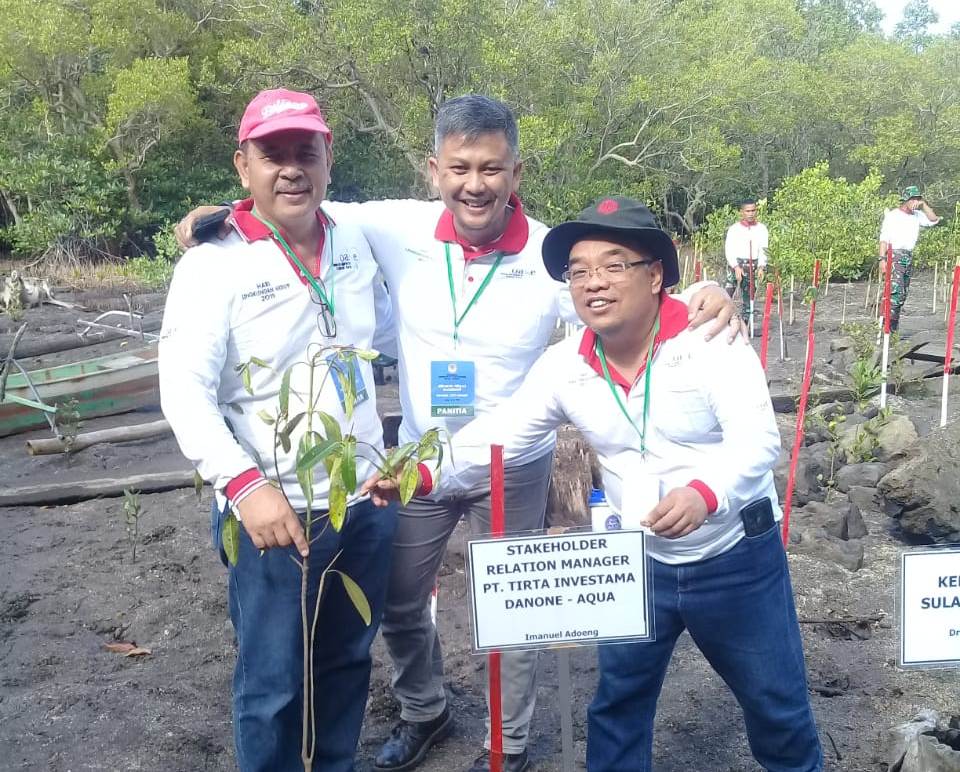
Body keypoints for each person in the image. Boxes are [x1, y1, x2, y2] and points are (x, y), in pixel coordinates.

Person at [175, 94, 741, 772]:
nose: (476, 185)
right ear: (433, 170)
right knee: (398, 602)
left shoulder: (549, 252)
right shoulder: (388, 227)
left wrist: (702, 291)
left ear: (516, 173)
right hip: (413, 462)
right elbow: (284, 201)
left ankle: (508, 744)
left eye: (492, 169)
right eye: (461, 168)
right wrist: (211, 217)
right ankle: (425, 709)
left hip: (514, 462)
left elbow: (619, 288)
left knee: (515, 607)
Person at [369, 195, 824, 772]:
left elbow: (758, 441)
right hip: (637, 561)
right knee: (617, 707)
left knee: (776, 706)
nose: (593, 283)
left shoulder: (710, 340)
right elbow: (501, 432)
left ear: (655, 274)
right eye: (578, 271)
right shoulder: (567, 366)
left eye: (613, 265)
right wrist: (424, 472)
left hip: (733, 558)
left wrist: (704, 493)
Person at [159, 88, 400, 772]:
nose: (291, 169)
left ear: (329, 159)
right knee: (271, 683)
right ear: (243, 167)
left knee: (349, 661)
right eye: (273, 155)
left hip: (362, 503)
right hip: (275, 514)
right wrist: (244, 487)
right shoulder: (213, 263)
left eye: (306, 151)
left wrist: (395, 447)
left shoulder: (353, 239)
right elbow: (183, 389)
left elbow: (380, 341)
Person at [878, 185, 939, 332]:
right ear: (906, 200)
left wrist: (923, 204)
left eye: (917, 200)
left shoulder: (918, 215)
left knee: (903, 293)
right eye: (913, 200)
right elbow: (884, 239)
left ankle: (893, 326)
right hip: (895, 254)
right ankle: (886, 327)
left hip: (908, 255)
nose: (915, 203)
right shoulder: (893, 215)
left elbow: (934, 219)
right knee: (895, 292)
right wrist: (882, 259)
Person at [724, 199, 768, 332]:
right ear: (742, 212)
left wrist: (761, 266)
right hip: (736, 264)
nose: (750, 213)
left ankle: (746, 327)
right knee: (727, 293)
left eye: (753, 210)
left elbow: (764, 249)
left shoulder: (762, 229)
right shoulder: (734, 229)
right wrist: (735, 266)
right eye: (748, 211)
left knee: (749, 297)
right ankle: (723, 321)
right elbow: (729, 249)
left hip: (752, 265)